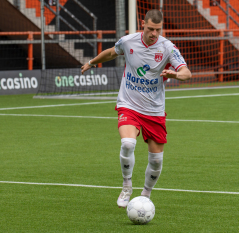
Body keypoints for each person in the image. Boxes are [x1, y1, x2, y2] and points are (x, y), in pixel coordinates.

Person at [81, 9, 191, 208]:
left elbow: (186, 72)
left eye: (158, 30)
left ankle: (145, 195)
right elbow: (110, 53)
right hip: (129, 105)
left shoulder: (167, 48)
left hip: (154, 111)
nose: (154, 33)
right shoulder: (128, 41)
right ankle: (126, 186)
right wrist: (91, 62)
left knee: (156, 160)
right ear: (143, 24)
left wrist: (176, 75)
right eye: (150, 29)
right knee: (128, 143)